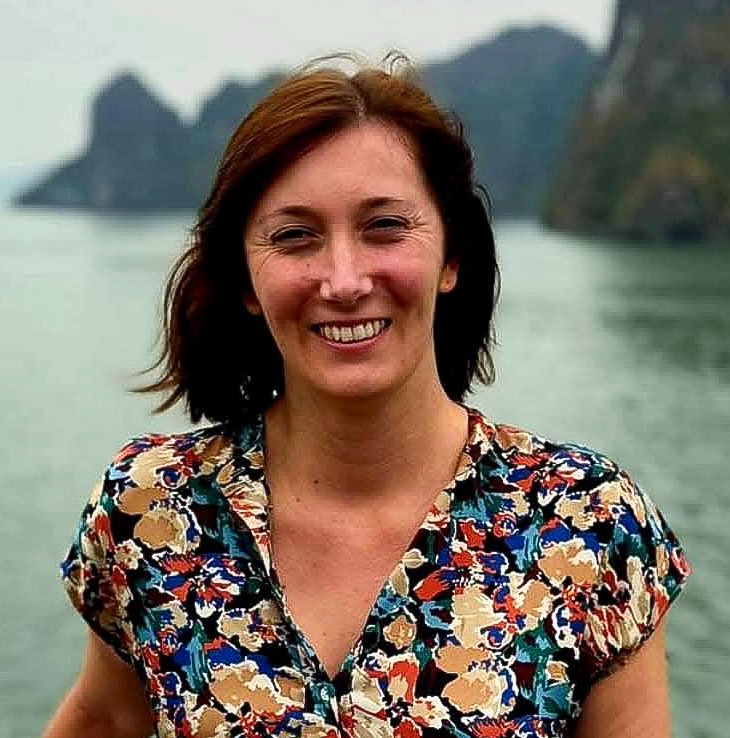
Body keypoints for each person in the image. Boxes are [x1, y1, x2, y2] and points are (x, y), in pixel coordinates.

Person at [44, 60, 690, 738]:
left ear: (451, 257)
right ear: (244, 281)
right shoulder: (151, 513)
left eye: (384, 226)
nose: (345, 281)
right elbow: (105, 714)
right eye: (295, 236)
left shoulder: (589, 525)